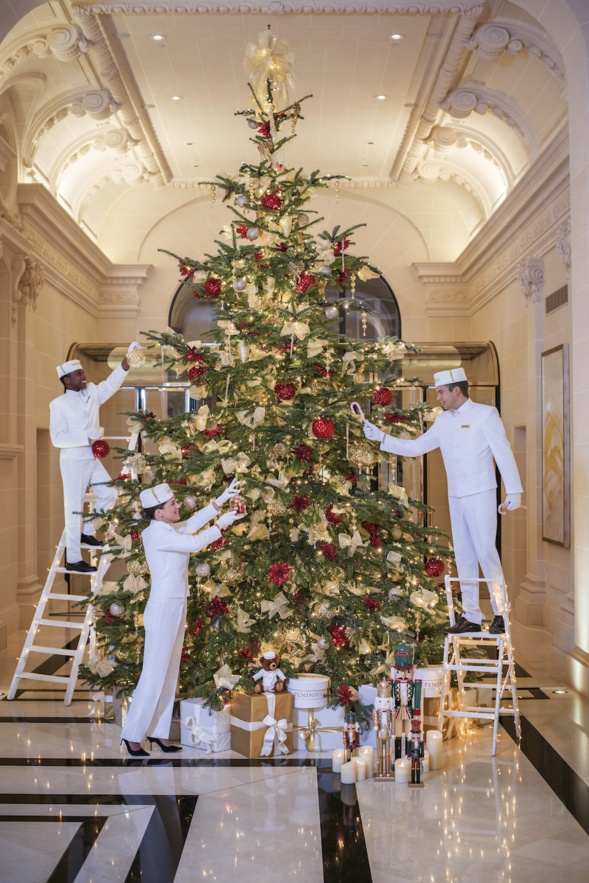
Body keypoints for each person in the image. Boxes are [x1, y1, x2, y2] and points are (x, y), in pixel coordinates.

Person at [363, 367, 523, 635]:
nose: (438, 397)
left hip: (481, 493)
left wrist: (514, 492)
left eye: (440, 392)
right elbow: (416, 447)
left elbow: (503, 453)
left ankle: (501, 613)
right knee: (464, 555)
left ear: (456, 390)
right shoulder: (443, 421)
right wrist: (381, 437)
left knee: (485, 551)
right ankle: (472, 614)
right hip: (456, 497)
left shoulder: (486, 415)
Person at [120, 480, 245, 756]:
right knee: (154, 674)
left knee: (169, 673)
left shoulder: (166, 527)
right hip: (163, 607)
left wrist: (221, 499)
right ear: (158, 512)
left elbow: (190, 524)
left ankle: (158, 732)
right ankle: (132, 735)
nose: (177, 506)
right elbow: (195, 541)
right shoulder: (157, 534)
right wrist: (221, 523)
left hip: (176, 604)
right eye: (172, 504)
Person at [50, 344, 142, 573]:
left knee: (110, 493)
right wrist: (87, 437)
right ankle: (73, 557)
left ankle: (88, 531)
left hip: (92, 459)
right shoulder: (59, 404)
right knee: (73, 508)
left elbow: (111, 384)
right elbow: (57, 439)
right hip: (73, 461)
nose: (83, 376)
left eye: (82, 372)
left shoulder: (92, 392)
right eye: (78, 374)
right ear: (67, 380)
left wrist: (126, 362)